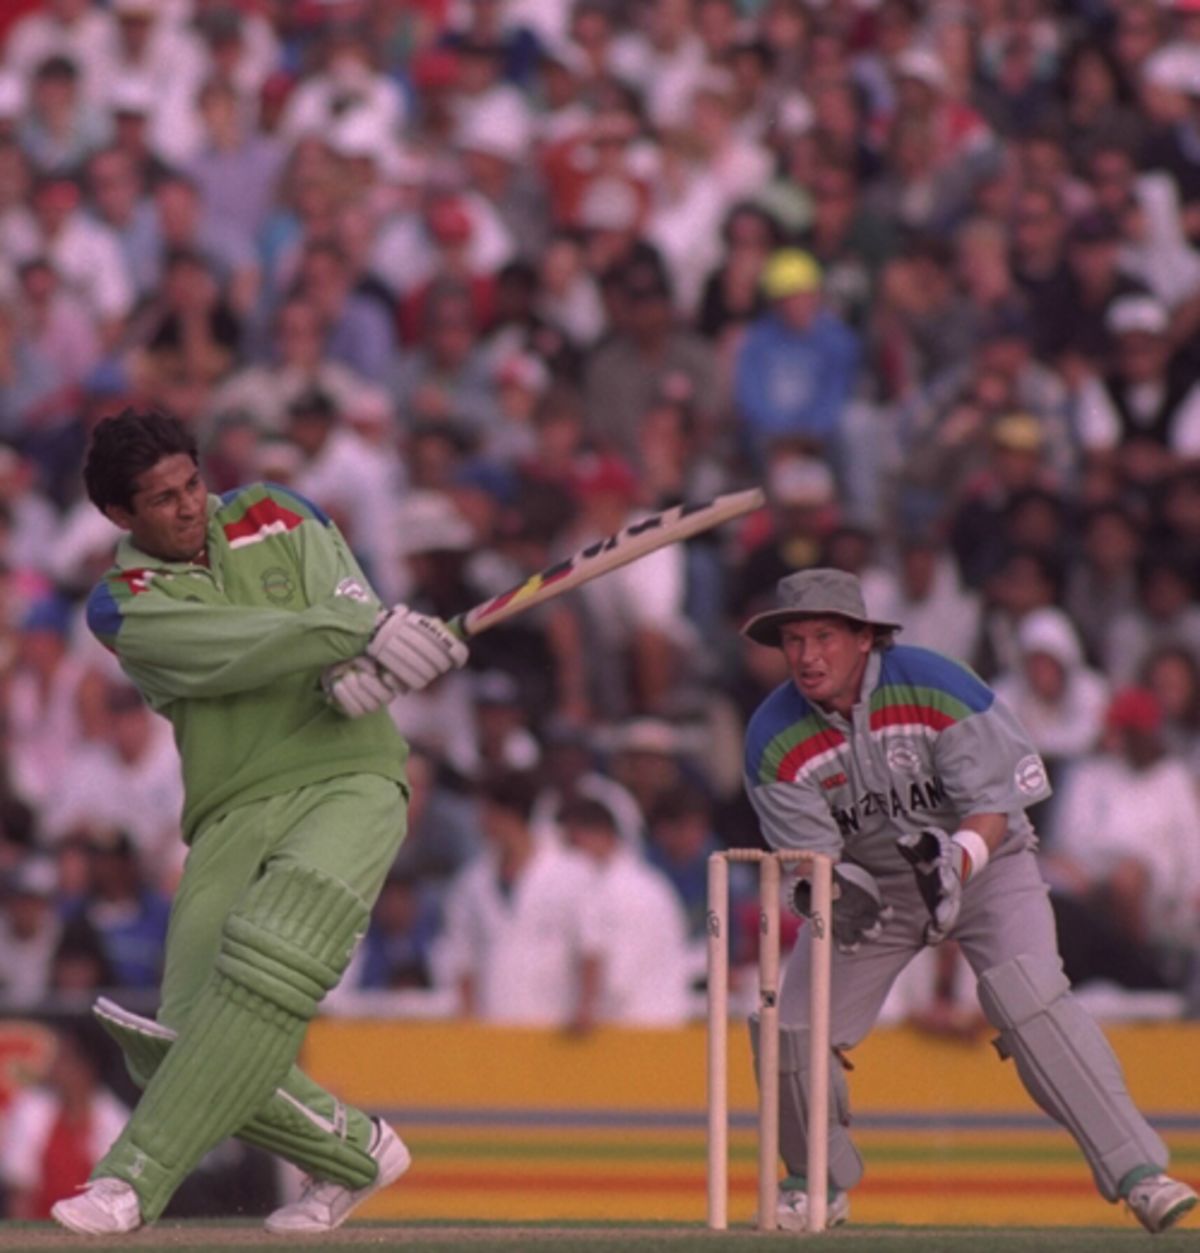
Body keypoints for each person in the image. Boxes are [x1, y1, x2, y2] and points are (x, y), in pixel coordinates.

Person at [50, 409, 469, 1236]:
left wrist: (374, 663)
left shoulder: (280, 510)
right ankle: (355, 1151)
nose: (188, 506)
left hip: (351, 777)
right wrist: (359, 634)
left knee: (273, 951)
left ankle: (131, 1179)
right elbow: (241, 645)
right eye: (161, 499)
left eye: (192, 484)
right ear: (118, 517)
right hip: (232, 806)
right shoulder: (121, 605)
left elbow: (348, 602)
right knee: (180, 1041)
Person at [739, 566, 1197, 1234]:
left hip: (986, 862)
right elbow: (814, 860)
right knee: (790, 1025)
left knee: (1029, 996)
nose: (807, 656)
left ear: (864, 637)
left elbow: (993, 805)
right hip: (876, 886)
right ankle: (815, 1184)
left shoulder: (937, 684)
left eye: (823, 636)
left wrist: (955, 861)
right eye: (794, 641)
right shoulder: (772, 735)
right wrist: (838, 894)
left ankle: (1141, 1175)